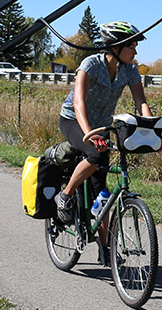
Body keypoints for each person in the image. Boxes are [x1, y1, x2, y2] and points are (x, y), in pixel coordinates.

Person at [54, 21, 153, 256]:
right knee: (95, 154)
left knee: (102, 193)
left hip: (101, 127)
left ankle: (105, 248)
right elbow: (78, 103)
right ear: (115, 47)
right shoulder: (91, 64)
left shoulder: (130, 69)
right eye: (132, 46)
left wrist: (152, 129)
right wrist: (90, 134)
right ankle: (65, 195)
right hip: (73, 120)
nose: (136, 51)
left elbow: (141, 102)